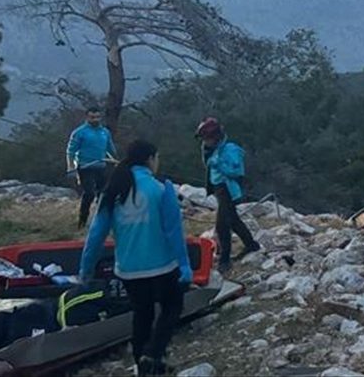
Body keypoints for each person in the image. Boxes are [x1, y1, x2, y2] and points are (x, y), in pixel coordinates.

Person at [79, 139, 191, 376]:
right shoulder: (161, 188)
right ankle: (154, 353)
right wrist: (184, 265)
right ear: (150, 159)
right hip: (163, 265)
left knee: (142, 314)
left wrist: (85, 269)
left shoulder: (113, 190)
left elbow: (96, 234)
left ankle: (143, 366)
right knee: (172, 307)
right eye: (157, 158)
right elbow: (174, 232)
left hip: (129, 269)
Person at [194, 117, 260, 273]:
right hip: (218, 188)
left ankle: (224, 259)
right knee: (233, 220)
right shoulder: (210, 150)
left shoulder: (230, 149)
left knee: (222, 225)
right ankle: (251, 244)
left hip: (227, 189)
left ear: (215, 137)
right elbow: (208, 164)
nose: (205, 141)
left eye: (206, 138)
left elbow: (237, 171)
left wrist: (219, 164)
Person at [67, 106, 118, 228]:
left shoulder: (105, 132)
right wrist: (70, 167)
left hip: (101, 166)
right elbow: (71, 151)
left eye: (97, 117)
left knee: (104, 194)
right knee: (89, 193)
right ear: (87, 117)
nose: (95, 120)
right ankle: (82, 221)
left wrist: (115, 159)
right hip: (85, 167)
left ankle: (102, 222)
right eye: (92, 117)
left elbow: (110, 148)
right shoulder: (80, 132)